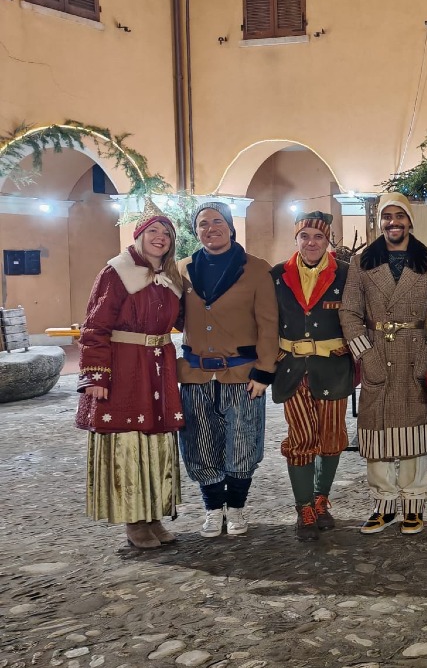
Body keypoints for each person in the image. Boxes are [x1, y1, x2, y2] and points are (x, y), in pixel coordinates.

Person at [340, 192, 427, 535]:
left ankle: (413, 505)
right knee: (378, 432)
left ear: (409, 221)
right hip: (378, 354)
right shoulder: (362, 263)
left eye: (399, 216)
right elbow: (349, 312)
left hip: (415, 355)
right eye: (387, 217)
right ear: (380, 222)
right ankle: (383, 505)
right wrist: (365, 354)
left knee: (415, 433)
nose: (393, 222)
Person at [77, 207, 185, 549]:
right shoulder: (116, 272)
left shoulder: (170, 279)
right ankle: (133, 520)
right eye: (154, 232)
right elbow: (94, 326)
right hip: (124, 369)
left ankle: (152, 515)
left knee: (155, 444)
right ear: (139, 236)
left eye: (166, 234)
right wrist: (96, 374)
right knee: (127, 443)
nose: (160, 239)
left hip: (158, 367)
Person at [178, 201, 278, 538]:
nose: (211, 228)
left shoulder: (256, 269)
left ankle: (236, 508)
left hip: (244, 375)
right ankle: (211, 509)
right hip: (196, 374)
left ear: (231, 227)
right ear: (196, 231)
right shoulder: (183, 270)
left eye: (217, 221)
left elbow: (268, 324)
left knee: (243, 444)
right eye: (203, 223)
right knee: (200, 444)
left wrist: (265, 371)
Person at [270, 211, 354, 541]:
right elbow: (265, 319)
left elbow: (360, 313)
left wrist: (352, 344)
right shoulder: (278, 275)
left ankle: (321, 499)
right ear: (296, 240)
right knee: (301, 438)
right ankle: (303, 505)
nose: (311, 242)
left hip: (332, 367)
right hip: (291, 369)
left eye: (318, 236)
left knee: (332, 436)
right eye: (304, 236)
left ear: (328, 239)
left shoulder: (345, 274)